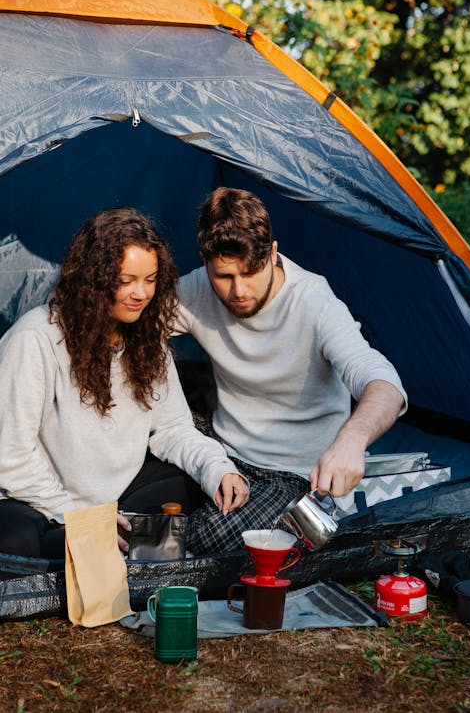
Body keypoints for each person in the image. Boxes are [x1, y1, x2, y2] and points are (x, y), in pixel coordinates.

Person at [0, 207, 248, 562]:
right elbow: (11, 458)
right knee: (17, 541)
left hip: (120, 497)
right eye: (126, 279)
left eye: (150, 280)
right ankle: (112, 544)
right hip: (44, 502)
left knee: (202, 484)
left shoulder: (147, 340)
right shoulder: (35, 338)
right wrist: (83, 519)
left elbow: (174, 428)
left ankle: (123, 543)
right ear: (95, 278)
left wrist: (217, 468)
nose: (141, 293)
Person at [175, 187, 407, 554]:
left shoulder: (314, 301)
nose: (238, 290)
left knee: (214, 538)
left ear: (272, 253)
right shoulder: (197, 288)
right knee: (135, 483)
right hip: (220, 452)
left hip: (292, 475)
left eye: (250, 272)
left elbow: (384, 383)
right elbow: (132, 327)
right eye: (223, 276)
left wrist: (352, 439)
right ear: (206, 263)